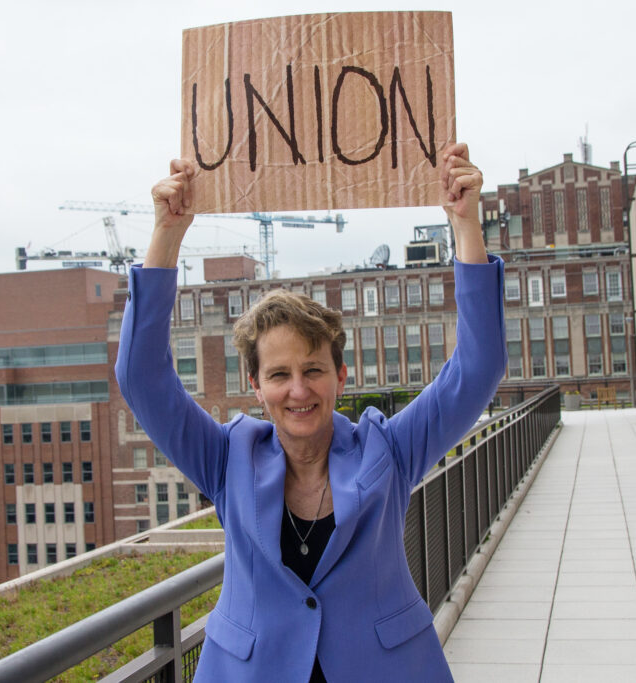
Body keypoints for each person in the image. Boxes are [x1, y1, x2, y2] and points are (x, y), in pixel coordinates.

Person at [115, 143, 506, 682]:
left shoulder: (387, 450)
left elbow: (479, 367)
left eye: (313, 370)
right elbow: (141, 378)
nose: (298, 391)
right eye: (279, 375)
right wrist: (168, 234)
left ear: (341, 377)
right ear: (255, 386)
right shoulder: (227, 459)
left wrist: (465, 225)